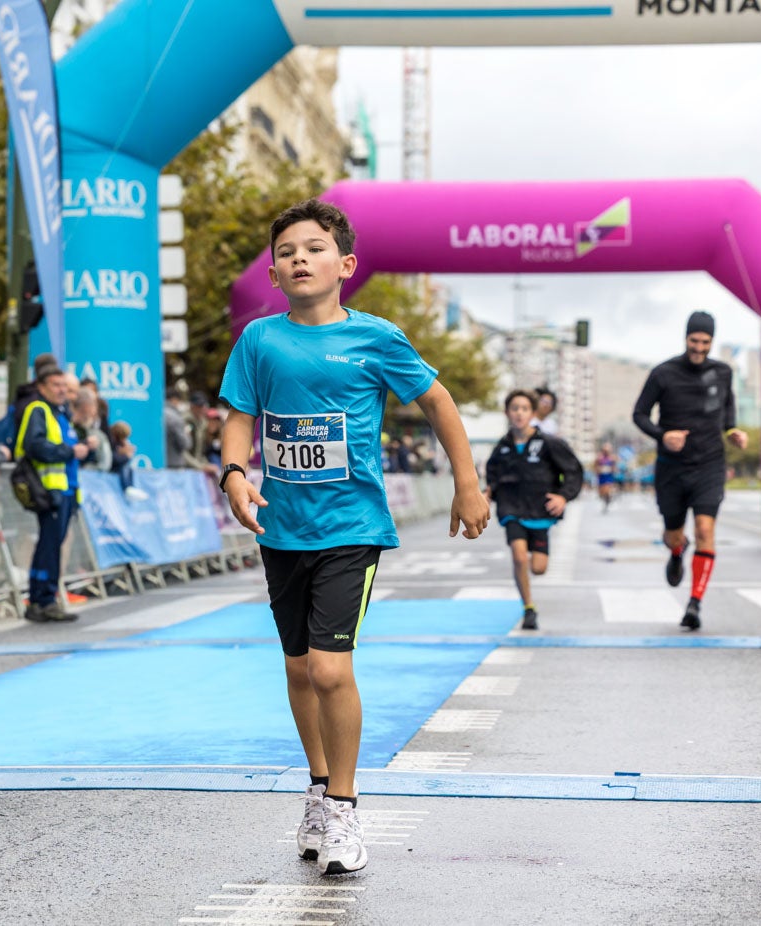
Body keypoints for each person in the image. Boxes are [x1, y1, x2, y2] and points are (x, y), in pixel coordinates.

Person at [218, 199, 488, 876]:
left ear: (345, 265)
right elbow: (240, 415)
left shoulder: (377, 338)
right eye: (286, 252)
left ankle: (343, 805)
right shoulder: (258, 341)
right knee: (296, 669)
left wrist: (467, 483)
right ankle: (317, 788)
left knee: (329, 668)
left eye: (313, 248)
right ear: (273, 274)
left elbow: (437, 401)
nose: (298, 259)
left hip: (351, 526)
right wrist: (233, 473)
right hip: (281, 528)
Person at [631, 310, 748, 630]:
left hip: (710, 464)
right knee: (673, 535)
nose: (699, 348)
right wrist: (662, 436)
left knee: (705, 531)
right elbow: (639, 414)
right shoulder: (663, 373)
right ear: (686, 338)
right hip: (672, 468)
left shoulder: (723, 372)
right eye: (694, 341)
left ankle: (695, 602)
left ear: (712, 342)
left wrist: (733, 431)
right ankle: (676, 551)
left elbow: (727, 411)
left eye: (705, 342)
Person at [484, 389, 584, 630]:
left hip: (540, 512)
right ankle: (528, 607)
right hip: (511, 509)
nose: (519, 413)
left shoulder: (549, 443)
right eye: (514, 409)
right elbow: (493, 476)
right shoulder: (502, 447)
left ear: (532, 413)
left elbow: (573, 470)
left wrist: (563, 496)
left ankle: (531, 579)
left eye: (524, 409)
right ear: (507, 413)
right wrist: (487, 494)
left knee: (538, 568)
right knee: (519, 556)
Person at [18, 363, 91, 622]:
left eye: (64, 386)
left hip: (66, 489)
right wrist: (70, 451)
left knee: (52, 547)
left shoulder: (60, 414)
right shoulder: (38, 410)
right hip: (50, 491)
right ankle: (42, 600)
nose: (61, 390)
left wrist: (82, 450)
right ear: (42, 387)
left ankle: (44, 598)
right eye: (56, 385)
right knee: (48, 547)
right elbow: (35, 446)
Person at [108, 420, 149, 501]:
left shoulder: (122, 444)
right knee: (124, 467)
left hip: (118, 465)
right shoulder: (112, 443)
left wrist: (127, 453)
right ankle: (127, 488)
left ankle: (131, 487)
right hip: (112, 467)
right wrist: (126, 456)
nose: (125, 439)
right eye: (124, 437)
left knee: (129, 468)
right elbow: (114, 460)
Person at [595, 443, 618, 512]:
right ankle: (606, 499)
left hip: (609, 477)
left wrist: (612, 470)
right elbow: (596, 466)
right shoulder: (599, 458)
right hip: (602, 477)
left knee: (607, 489)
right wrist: (599, 470)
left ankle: (608, 498)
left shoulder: (612, 458)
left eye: (608, 451)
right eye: (605, 450)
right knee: (601, 493)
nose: (606, 452)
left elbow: (614, 467)